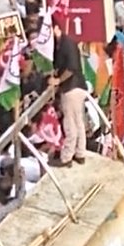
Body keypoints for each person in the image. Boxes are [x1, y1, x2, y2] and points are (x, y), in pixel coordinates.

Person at [49, 22, 89, 168]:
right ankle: (80, 153)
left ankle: (67, 157)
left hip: (72, 88)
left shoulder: (68, 43)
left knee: (70, 124)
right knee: (78, 122)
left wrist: (58, 80)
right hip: (75, 87)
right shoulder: (61, 44)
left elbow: (72, 68)